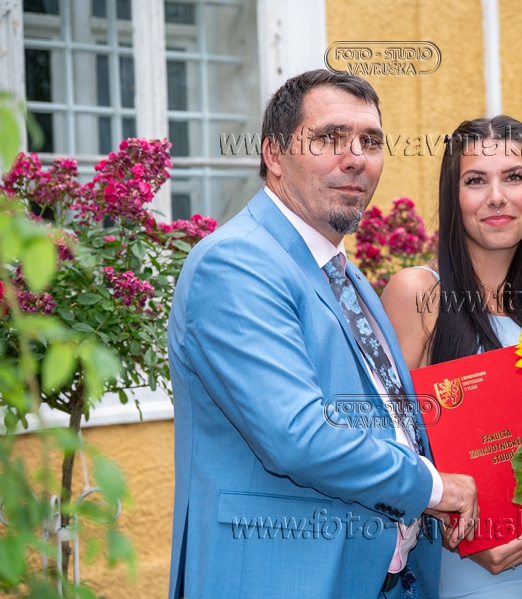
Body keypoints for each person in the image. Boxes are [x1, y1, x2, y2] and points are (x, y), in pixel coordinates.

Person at [166, 69, 479, 599]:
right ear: (274, 154)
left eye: (370, 141)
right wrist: (431, 487)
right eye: (330, 138)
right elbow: (298, 437)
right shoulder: (237, 263)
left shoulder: (341, 272)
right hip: (279, 576)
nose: (355, 158)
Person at [381, 115, 522, 598]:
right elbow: (388, 444)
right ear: (453, 198)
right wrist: (456, 529)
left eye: (514, 177)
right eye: (475, 180)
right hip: (475, 569)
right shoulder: (419, 294)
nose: (496, 197)